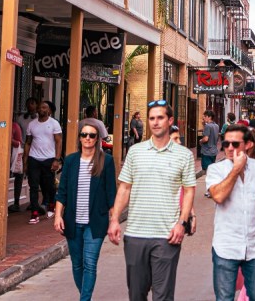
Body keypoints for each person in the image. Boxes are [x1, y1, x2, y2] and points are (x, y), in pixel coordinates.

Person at [108, 100, 196, 301]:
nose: (155, 123)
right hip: (136, 234)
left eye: (160, 118)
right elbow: (124, 187)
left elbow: (189, 191)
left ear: (170, 120)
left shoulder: (184, 155)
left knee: (163, 296)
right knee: (136, 294)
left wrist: (182, 223)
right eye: (152, 118)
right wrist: (114, 220)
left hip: (167, 236)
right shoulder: (135, 152)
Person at [206, 124, 255, 301]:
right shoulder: (215, 170)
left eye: (235, 144)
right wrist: (236, 169)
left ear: (248, 145)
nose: (229, 148)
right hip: (226, 246)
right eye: (226, 144)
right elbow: (218, 196)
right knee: (225, 297)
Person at [54, 123, 117, 300]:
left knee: (90, 264)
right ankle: (85, 295)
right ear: (80, 138)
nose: (88, 138)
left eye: (92, 135)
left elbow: (111, 193)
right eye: (84, 135)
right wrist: (58, 215)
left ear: (97, 139)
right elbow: (62, 191)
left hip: (96, 222)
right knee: (77, 264)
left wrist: (114, 220)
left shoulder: (107, 160)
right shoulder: (71, 160)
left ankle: (85, 299)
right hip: (73, 221)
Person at [23, 100, 63, 224]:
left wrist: (57, 159)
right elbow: (28, 143)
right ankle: (34, 213)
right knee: (33, 186)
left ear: (49, 111)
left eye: (44, 107)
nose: (41, 109)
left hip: (49, 158)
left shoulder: (54, 123)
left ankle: (51, 205)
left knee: (48, 185)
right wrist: (25, 161)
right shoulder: (32, 124)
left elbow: (58, 142)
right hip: (34, 158)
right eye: (40, 107)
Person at [200, 110, 220, 176]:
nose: (204, 118)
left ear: (209, 117)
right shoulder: (216, 126)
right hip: (214, 150)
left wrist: (201, 141)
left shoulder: (208, 126)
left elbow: (206, 139)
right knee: (212, 169)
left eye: (205, 116)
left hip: (207, 151)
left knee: (207, 170)